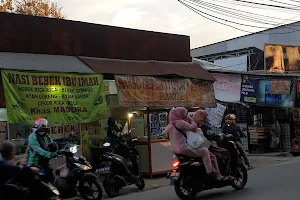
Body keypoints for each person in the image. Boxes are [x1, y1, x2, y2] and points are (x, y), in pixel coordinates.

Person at [165, 107, 231, 181]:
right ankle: (212, 172)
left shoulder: (171, 125)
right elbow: (193, 128)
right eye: (185, 114)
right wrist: (191, 120)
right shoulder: (180, 123)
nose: (186, 115)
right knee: (206, 152)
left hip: (175, 149)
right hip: (183, 148)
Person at [193, 109, 231, 175]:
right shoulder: (204, 127)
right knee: (225, 153)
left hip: (194, 148)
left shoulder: (191, 125)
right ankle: (219, 173)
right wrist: (221, 136)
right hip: (206, 147)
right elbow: (213, 136)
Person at [27, 118, 57, 183]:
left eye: (44, 129)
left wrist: (56, 149)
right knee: (39, 183)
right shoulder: (32, 136)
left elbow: (53, 145)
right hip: (35, 163)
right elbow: (37, 149)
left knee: (51, 179)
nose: (42, 131)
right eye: (41, 129)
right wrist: (49, 154)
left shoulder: (47, 137)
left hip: (45, 163)